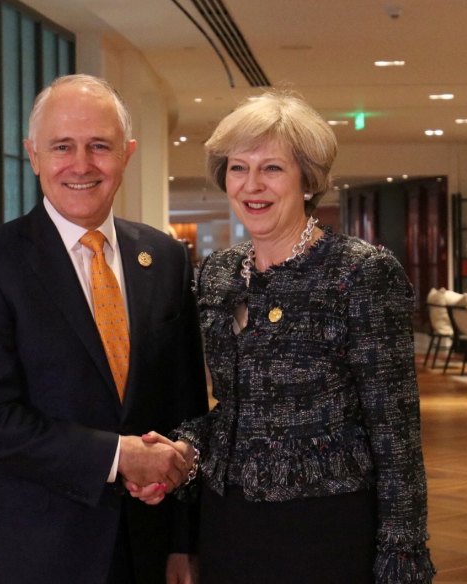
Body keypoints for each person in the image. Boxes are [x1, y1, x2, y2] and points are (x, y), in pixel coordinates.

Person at [129, 91, 436, 583]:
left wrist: (403, 551)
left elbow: (395, 431)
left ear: (307, 179)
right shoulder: (218, 274)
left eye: (272, 168)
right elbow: (234, 410)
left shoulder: (359, 272)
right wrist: (183, 452)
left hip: (326, 526)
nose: (252, 185)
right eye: (237, 168)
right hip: (228, 522)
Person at [0, 74, 208, 584]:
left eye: (99, 146)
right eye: (62, 146)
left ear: (127, 154)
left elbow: (187, 407)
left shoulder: (167, 258)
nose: (81, 165)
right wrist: (118, 456)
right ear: (33, 155)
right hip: (33, 557)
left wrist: (183, 542)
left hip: (148, 550)